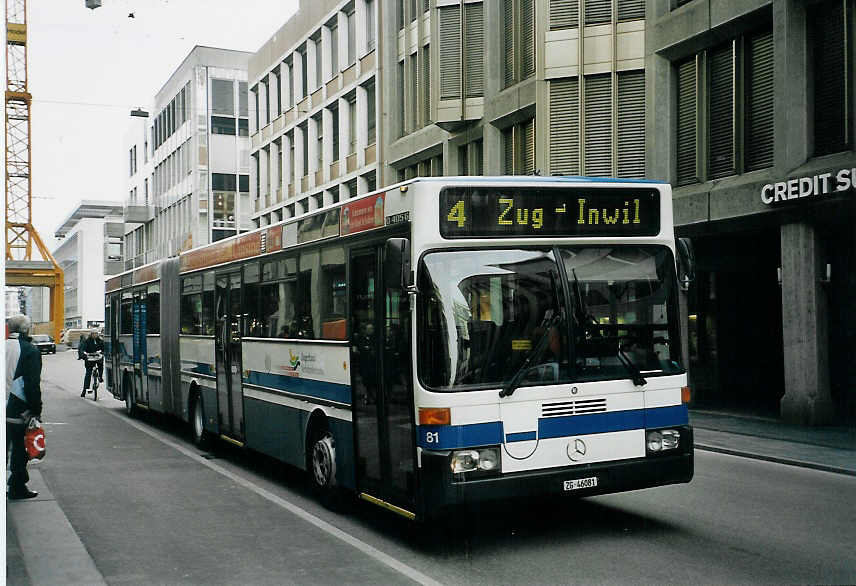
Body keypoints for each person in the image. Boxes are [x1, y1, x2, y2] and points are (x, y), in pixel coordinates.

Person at [5, 314, 43, 500]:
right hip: (17, 410)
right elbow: (32, 384)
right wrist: (36, 410)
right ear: (26, 329)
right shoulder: (29, 350)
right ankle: (16, 487)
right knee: (19, 449)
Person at [79, 328, 104, 397]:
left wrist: (102, 352)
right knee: (88, 373)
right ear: (91, 334)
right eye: (94, 334)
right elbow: (83, 349)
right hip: (89, 358)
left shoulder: (100, 340)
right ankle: (84, 389)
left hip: (97, 357)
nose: (95, 335)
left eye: (96, 334)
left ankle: (100, 377)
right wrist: (84, 354)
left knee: (101, 365)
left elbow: (103, 348)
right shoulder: (87, 341)